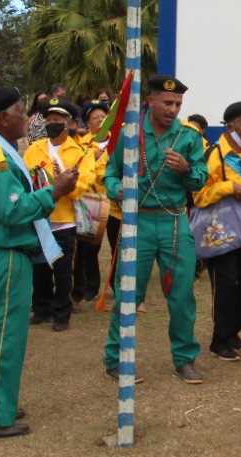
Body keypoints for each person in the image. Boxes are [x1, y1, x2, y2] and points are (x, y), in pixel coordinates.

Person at [0, 87, 78, 438]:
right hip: (2, 255)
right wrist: (54, 191)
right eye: (19, 110)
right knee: (2, 337)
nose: (27, 118)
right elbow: (13, 209)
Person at [102, 75, 209, 383]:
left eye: (177, 104)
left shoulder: (188, 137)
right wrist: (118, 189)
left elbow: (201, 178)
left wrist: (187, 170)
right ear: (150, 101)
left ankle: (185, 359)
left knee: (181, 295)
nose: (173, 109)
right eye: (167, 102)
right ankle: (115, 359)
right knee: (128, 294)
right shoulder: (131, 133)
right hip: (138, 222)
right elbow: (110, 173)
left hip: (175, 221)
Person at [195, 101, 241, 362]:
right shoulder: (214, 154)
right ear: (230, 126)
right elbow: (199, 195)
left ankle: (234, 329)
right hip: (224, 232)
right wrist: (227, 187)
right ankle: (220, 339)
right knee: (226, 287)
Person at [22, 99, 95, 330]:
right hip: (39, 218)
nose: (53, 123)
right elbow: (25, 178)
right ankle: (41, 309)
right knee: (39, 269)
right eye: (50, 119)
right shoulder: (34, 148)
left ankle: (61, 314)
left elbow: (82, 186)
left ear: (69, 122)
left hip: (64, 221)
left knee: (62, 271)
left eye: (59, 120)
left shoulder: (81, 151)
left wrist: (63, 178)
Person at [73, 101, 111, 303]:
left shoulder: (118, 140)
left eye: (103, 116)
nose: (100, 120)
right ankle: (86, 287)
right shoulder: (82, 143)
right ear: (88, 122)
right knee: (87, 247)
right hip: (88, 200)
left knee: (117, 247)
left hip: (113, 203)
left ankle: (116, 285)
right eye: (95, 117)